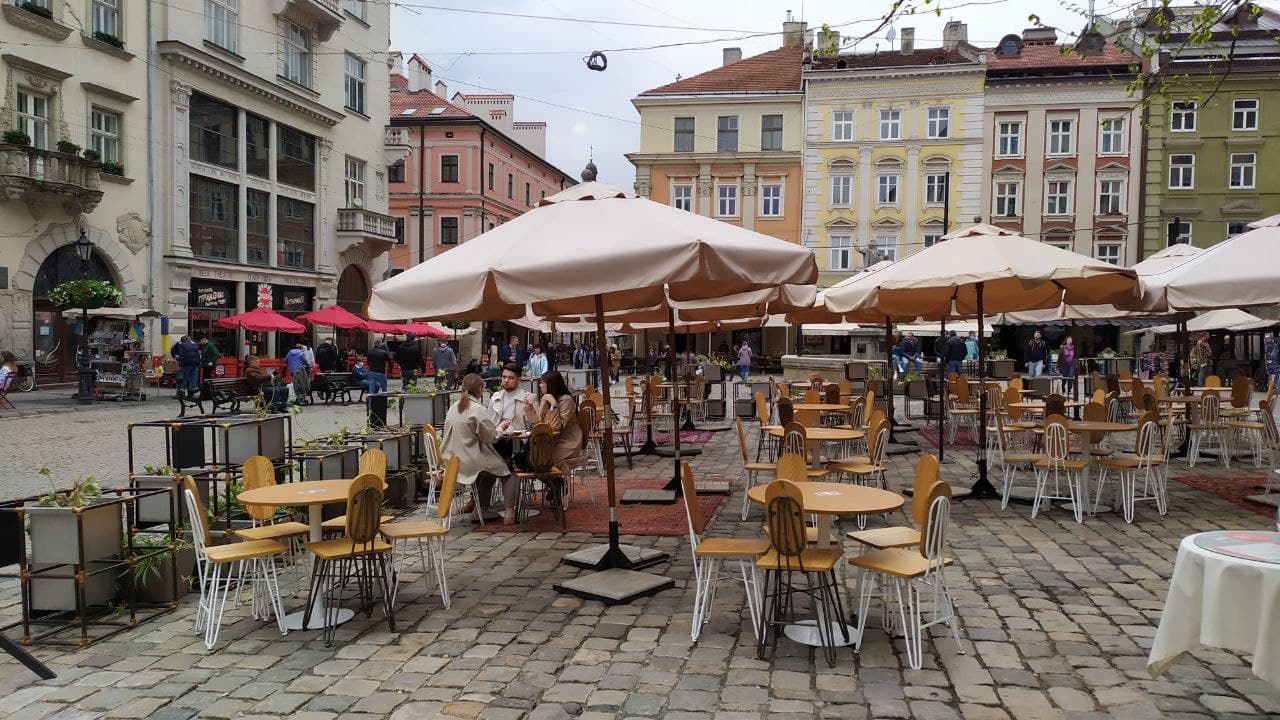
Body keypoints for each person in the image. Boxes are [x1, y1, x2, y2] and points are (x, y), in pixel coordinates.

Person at [442, 373, 516, 524]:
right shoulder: (477, 409)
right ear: (480, 389)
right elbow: (491, 437)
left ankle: (480, 508)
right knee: (507, 470)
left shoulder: (454, 407)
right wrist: (501, 427)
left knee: (490, 469)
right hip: (468, 461)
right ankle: (509, 512)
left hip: (451, 460)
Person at [536, 370, 585, 472]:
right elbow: (539, 422)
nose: (540, 385)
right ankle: (555, 481)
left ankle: (559, 480)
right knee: (532, 458)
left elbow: (556, 427)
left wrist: (553, 405)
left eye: (542, 383)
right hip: (549, 440)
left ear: (551, 384)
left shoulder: (566, 400)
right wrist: (529, 407)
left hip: (568, 440)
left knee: (546, 459)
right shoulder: (546, 399)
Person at [489, 363, 532, 462]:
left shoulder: (528, 398)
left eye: (511, 378)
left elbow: (534, 425)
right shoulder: (495, 397)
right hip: (498, 437)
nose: (506, 380)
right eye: (504, 377)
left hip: (519, 440)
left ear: (518, 380)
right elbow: (489, 421)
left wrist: (529, 409)